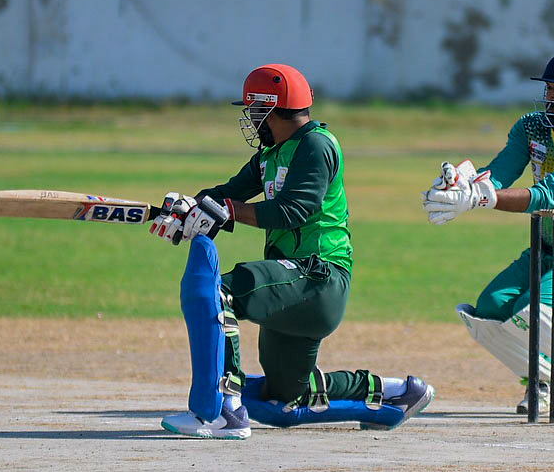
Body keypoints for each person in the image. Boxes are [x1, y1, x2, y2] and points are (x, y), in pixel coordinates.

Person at [149, 63, 434, 439]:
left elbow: (293, 210)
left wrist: (227, 212)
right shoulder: (270, 155)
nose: (251, 120)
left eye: (253, 110)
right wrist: (187, 207)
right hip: (295, 287)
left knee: (220, 293)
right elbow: (227, 194)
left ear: (270, 108)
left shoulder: (316, 145)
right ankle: (397, 392)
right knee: (284, 398)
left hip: (318, 276)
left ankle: (224, 408)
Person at [421, 51, 554, 419]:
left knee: (541, 310)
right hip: (549, 248)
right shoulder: (532, 127)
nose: (551, 97)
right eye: (549, 89)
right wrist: (464, 186)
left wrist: (480, 200)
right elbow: (500, 172)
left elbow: (546, 195)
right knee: (487, 311)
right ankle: (544, 377)